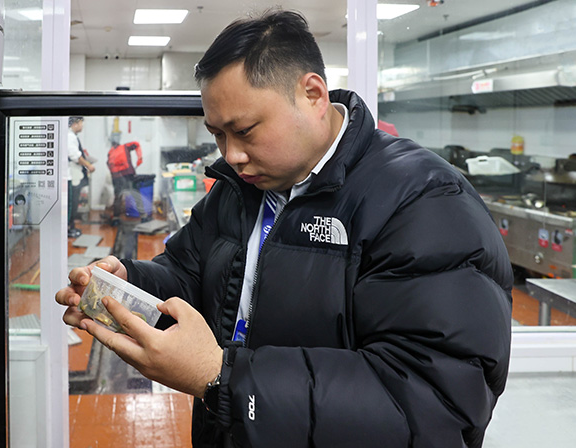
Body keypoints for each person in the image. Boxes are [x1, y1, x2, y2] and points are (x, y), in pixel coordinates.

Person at [56, 9, 512, 448]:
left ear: (312, 95)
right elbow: (190, 274)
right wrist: (131, 284)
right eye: (218, 135)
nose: (231, 155)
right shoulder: (240, 188)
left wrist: (221, 377)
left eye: (245, 130)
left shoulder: (422, 200)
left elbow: (432, 407)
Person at [106, 134, 148, 222]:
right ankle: (143, 216)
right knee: (136, 194)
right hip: (128, 174)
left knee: (118, 197)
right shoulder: (125, 146)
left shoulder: (110, 152)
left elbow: (108, 164)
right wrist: (140, 158)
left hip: (116, 177)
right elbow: (136, 144)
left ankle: (116, 218)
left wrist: (114, 173)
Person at [68, 117, 95, 238]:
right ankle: (69, 228)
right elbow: (75, 156)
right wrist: (88, 165)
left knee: (74, 201)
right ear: (75, 123)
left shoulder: (73, 136)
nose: (82, 126)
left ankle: (71, 226)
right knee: (72, 203)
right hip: (72, 174)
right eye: (81, 123)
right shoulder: (70, 137)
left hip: (75, 173)